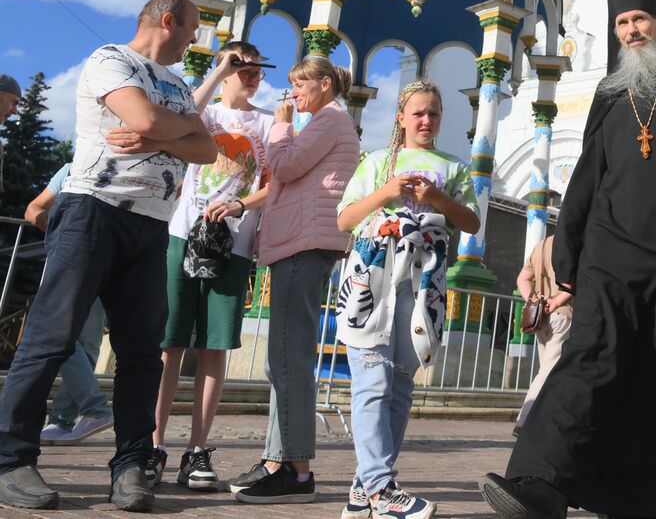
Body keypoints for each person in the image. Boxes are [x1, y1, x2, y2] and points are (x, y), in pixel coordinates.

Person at [481, 0, 656, 519]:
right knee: (588, 359)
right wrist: (567, 259)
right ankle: (537, 481)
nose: (631, 31)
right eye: (622, 23)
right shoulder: (609, 96)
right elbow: (587, 177)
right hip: (609, 256)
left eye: (639, 20)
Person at [0, 0, 214, 512]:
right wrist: (167, 130)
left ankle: (132, 465)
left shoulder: (182, 85)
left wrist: (161, 132)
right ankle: (11, 459)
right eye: (192, 28)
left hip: (152, 226)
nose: (195, 38)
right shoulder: (111, 60)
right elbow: (146, 121)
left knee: (143, 351)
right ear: (168, 20)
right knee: (52, 337)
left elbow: (207, 150)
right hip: (92, 212)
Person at [336, 80, 479, 519]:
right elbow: (345, 220)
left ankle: (365, 488)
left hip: (422, 287)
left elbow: (471, 223)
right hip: (373, 282)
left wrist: (434, 197)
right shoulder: (377, 162)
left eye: (434, 113)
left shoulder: (453, 167)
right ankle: (380, 488)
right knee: (372, 382)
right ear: (400, 117)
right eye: (418, 112)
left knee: (399, 385)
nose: (426, 120)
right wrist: (387, 193)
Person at [228, 57, 361, 505]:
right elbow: (288, 179)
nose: (294, 94)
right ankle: (275, 459)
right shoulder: (324, 123)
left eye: (300, 84)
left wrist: (281, 126)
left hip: (304, 245)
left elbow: (283, 168)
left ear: (325, 84)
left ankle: (297, 470)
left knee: (289, 357)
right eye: (292, 87)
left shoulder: (328, 119)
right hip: (299, 243)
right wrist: (244, 205)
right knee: (282, 359)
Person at [150, 44, 274, 490]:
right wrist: (219, 69)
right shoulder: (202, 110)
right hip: (184, 234)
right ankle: (153, 444)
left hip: (233, 246)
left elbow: (273, 184)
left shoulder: (269, 120)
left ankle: (196, 449)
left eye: (256, 67)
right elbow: (184, 118)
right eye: (241, 66)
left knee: (214, 348)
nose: (251, 74)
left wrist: (243, 206)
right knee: (169, 344)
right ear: (222, 71)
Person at [24, 164, 113, 447]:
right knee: (61, 337)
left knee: (86, 346)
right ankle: (92, 408)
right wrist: (61, 227)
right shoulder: (72, 168)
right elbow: (33, 208)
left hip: (106, 267)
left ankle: (63, 420)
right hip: (68, 263)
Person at [514, 230, 573, 433]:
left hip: (541, 317)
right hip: (563, 314)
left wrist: (533, 300)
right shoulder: (572, 243)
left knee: (548, 369)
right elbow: (571, 284)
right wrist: (555, 302)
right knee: (548, 371)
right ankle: (525, 420)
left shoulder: (542, 245)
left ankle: (543, 421)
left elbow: (522, 279)